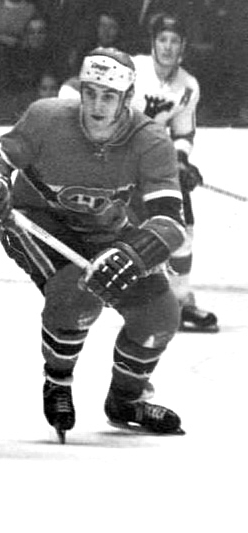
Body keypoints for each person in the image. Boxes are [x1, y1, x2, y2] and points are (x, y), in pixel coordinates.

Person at [0, 47, 186, 441]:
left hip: (107, 232)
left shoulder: (150, 140)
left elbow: (171, 222)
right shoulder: (47, 117)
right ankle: (58, 382)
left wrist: (133, 255)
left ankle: (126, 401)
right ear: (81, 90)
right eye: (90, 93)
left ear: (127, 98)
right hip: (38, 221)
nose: (97, 106)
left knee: (160, 315)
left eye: (109, 96)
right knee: (77, 294)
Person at [131, 13, 217, 333]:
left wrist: (181, 161)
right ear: (152, 43)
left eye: (174, 41)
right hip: (117, 160)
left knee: (183, 227)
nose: (167, 47)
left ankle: (180, 301)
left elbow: (183, 132)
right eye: (162, 40)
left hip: (153, 162)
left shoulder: (188, 86)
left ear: (183, 46)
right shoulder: (131, 69)